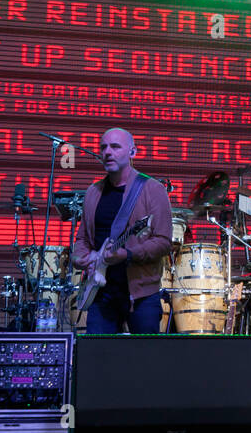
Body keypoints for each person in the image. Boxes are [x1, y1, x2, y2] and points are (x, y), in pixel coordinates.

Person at [72, 128, 174, 334]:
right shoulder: (93, 192)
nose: (107, 152)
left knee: (144, 360)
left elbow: (163, 241)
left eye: (115, 146)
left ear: (132, 152)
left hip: (141, 294)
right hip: (100, 293)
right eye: (103, 147)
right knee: (97, 359)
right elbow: (82, 239)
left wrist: (127, 254)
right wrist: (81, 257)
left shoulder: (152, 189)